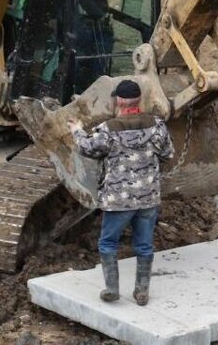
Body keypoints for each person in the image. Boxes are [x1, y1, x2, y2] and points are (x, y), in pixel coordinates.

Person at [69, 80, 174, 306]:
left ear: (118, 101)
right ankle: (142, 291)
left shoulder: (109, 128)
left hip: (119, 200)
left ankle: (112, 289)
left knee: (108, 244)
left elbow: (88, 148)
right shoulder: (156, 125)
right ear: (138, 100)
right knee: (144, 245)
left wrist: (76, 130)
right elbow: (167, 153)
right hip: (148, 198)